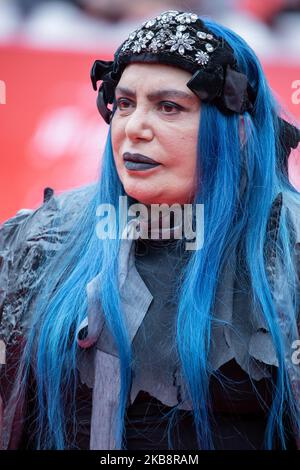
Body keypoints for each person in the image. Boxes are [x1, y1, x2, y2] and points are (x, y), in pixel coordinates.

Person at [1, 9, 300, 451]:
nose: (134, 128)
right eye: (124, 103)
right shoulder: (47, 237)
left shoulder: (289, 247)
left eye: (168, 107)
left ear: (237, 131)